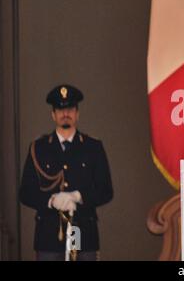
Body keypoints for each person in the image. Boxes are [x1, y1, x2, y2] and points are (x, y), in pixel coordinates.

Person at [19, 84, 113, 261]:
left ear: (77, 113)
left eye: (70, 109)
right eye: (60, 109)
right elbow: (25, 193)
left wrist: (78, 196)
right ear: (53, 115)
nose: (65, 113)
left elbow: (106, 190)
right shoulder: (38, 148)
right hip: (48, 235)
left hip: (82, 231)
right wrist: (50, 200)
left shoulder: (93, 147)